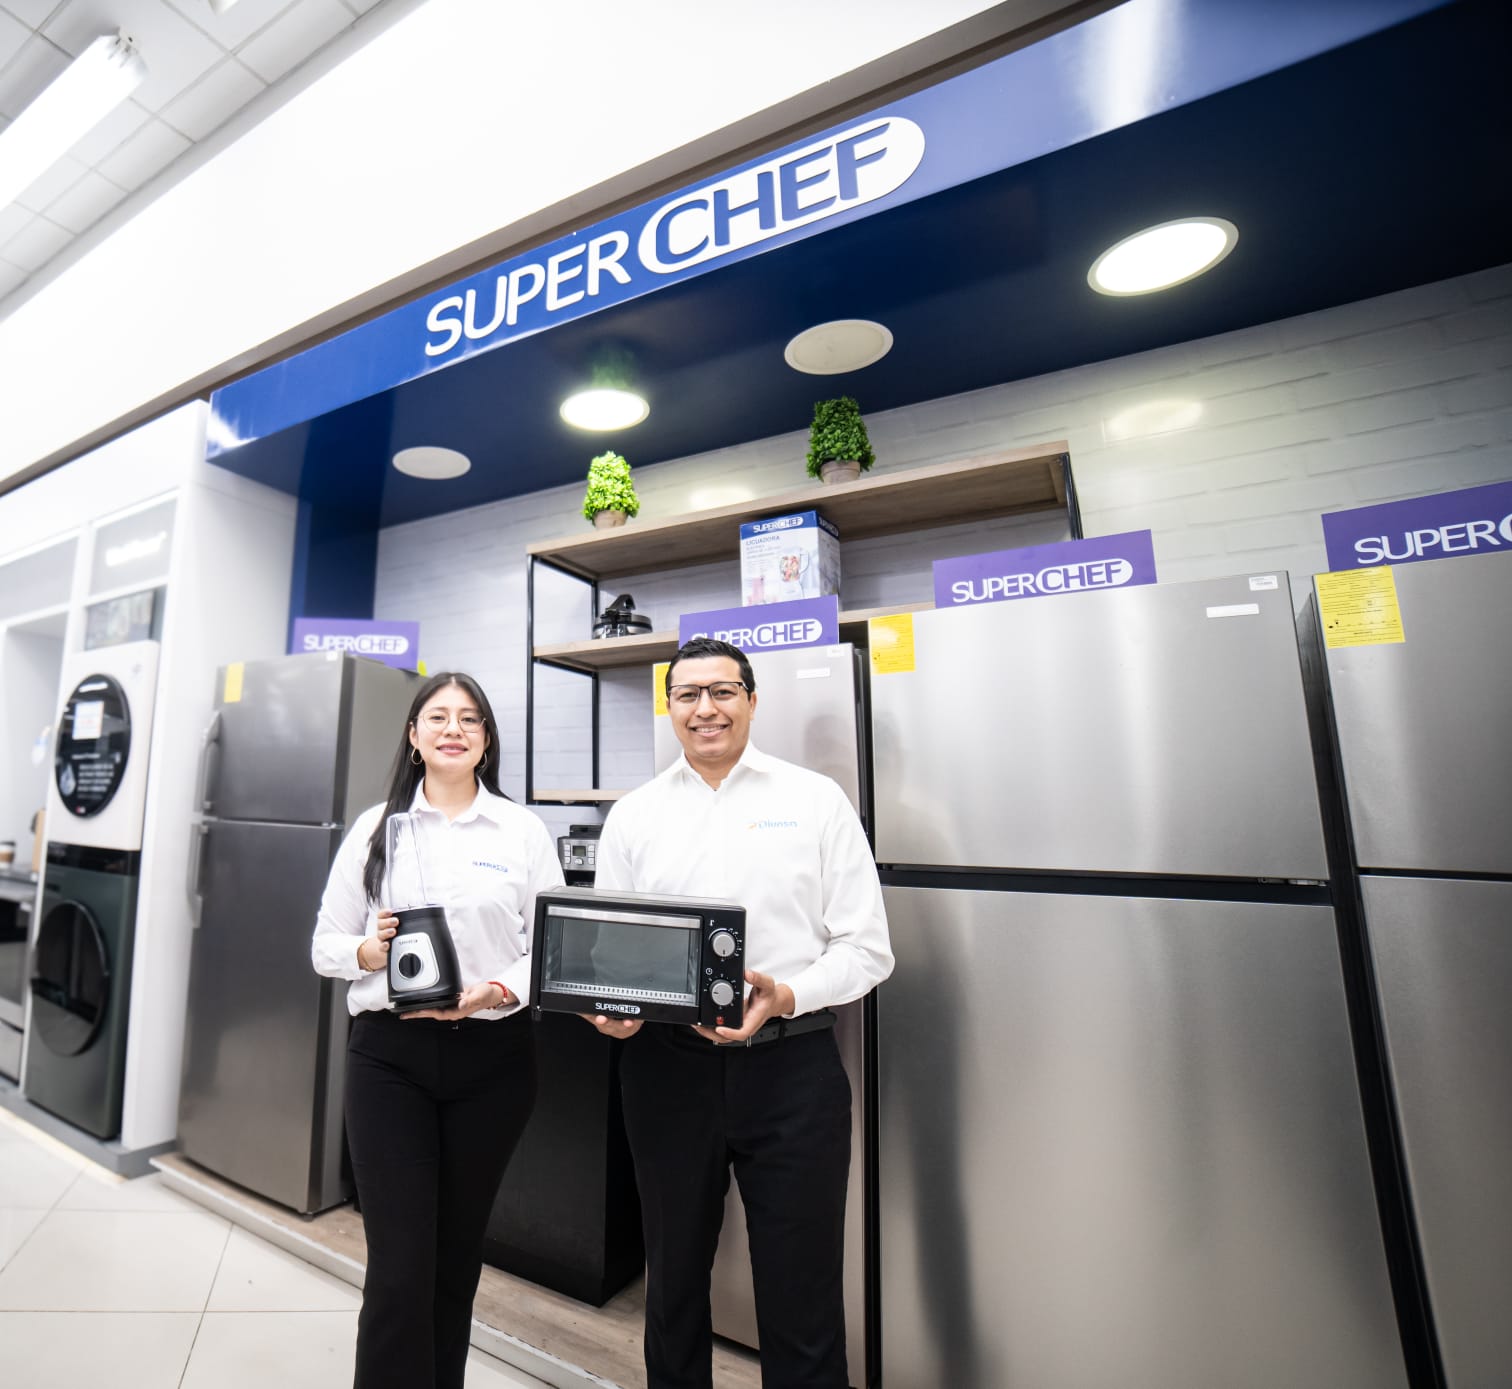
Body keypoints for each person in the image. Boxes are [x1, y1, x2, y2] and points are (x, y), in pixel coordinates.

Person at [588, 637, 893, 1389]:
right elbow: (610, 953)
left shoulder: (814, 800)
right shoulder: (634, 815)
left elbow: (868, 950)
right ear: (669, 707)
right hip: (666, 1071)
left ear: (753, 701)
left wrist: (786, 995)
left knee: (802, 1293)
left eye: (722, 691)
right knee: (673, 1284)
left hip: (793, 1070)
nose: (706, 709)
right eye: (687, 695)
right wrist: (615, 1010)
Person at [311, 671, 563, 1389]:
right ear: (414, 735)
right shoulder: (376, 829)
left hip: (494, 1061)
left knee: (455, 1261)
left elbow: (553, 945)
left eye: (470, 718)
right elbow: (326, 945)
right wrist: (369, 951)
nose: (454, 728)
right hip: (390, 1061)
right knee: (400, 1268)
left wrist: (498, 990)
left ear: (486, 739)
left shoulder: (521, 830)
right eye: (439, 717)